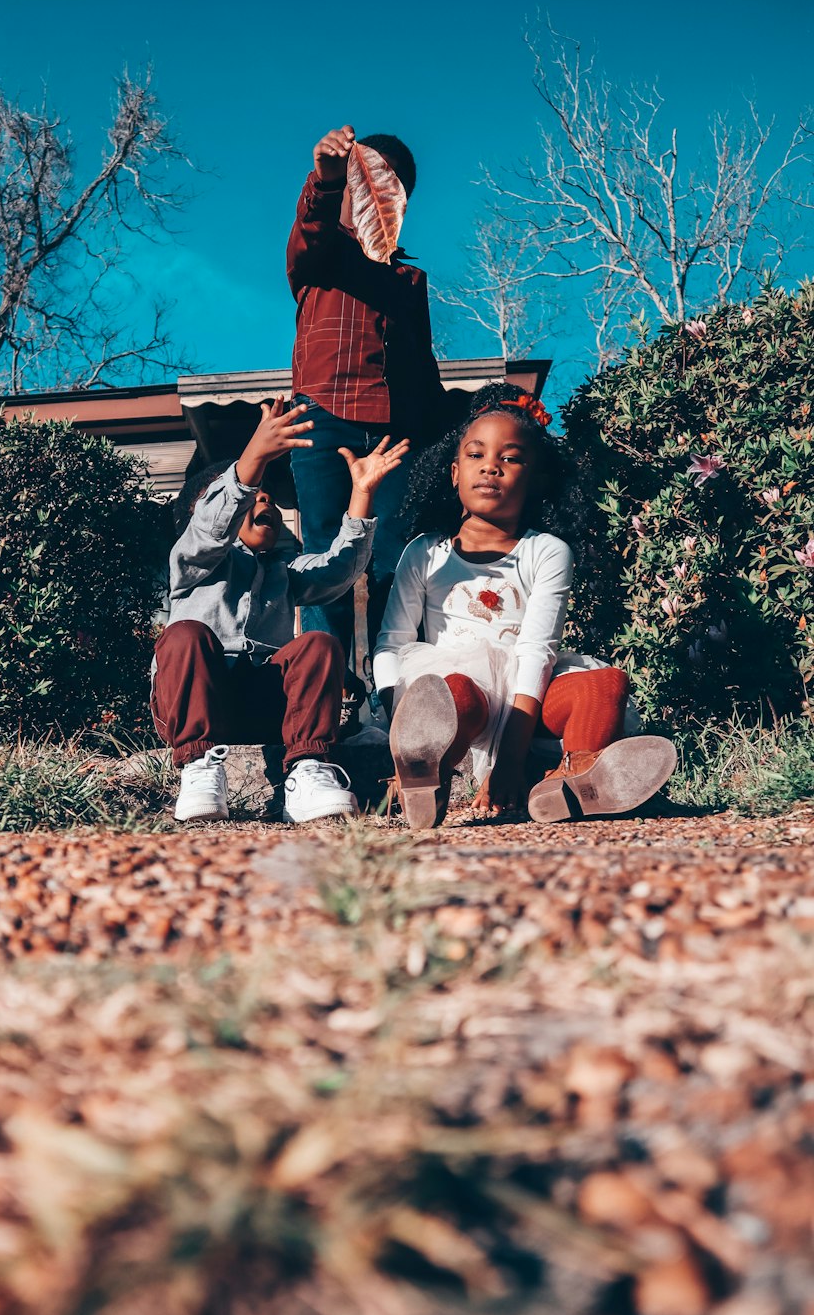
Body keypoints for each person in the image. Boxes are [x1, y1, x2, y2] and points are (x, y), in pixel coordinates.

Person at [373, 383, 677, 829]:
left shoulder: (547, 551)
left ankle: (573, 781)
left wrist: (509, 762)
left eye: (510, 458)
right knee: (449, 692)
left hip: (528, 700)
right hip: (462, 701)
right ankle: (425, 771)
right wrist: (396, 723)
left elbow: (537, 650)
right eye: (476, 455)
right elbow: (392, 643)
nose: (491, 468)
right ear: (454, 472)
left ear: (537, 477)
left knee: (606, 683)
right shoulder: (424, 552)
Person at [153, 396, 408, 824]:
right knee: (186, 636)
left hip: (266, 707)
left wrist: (361, 496)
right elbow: (212, 525)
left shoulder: (282, 572)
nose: (265, 504)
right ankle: (198, 769)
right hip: (197, 704)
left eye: (270, 500)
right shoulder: (191, 558)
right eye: (253, 498)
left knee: (317, 644)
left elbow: (339, 570)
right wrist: (254, 457)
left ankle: (307, 768)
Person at [286, 123, 452, 724]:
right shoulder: (323, 255)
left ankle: (393, 700)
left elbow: (423, 365)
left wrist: (455, 428)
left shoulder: (408, 280)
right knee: (324, 556)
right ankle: (325, 702)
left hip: (394, 433)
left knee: (396, 561)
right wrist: (326, 179)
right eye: (370, 176)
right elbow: (307, 234)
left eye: (393, 185)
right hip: (323, 419)